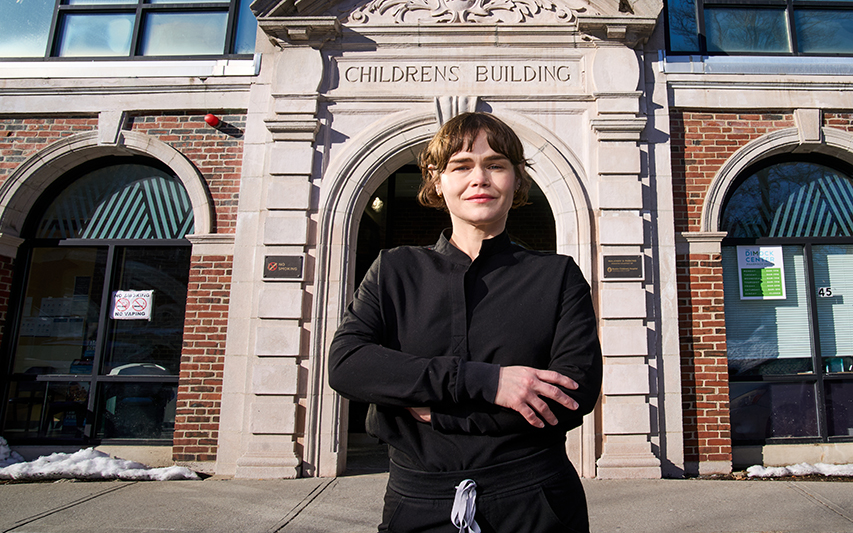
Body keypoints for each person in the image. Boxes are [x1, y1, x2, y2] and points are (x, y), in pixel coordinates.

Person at [329, 112, 602, 533]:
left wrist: (432, 412)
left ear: (516, 180)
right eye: (461, 166)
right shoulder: (393, 270)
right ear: (438, 182)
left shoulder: (558, 276)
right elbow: (348, 365)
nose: (480, 178)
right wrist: (489, 383)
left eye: (495, 164)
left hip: (537, 505)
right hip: (416, 507)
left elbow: (571, 394)